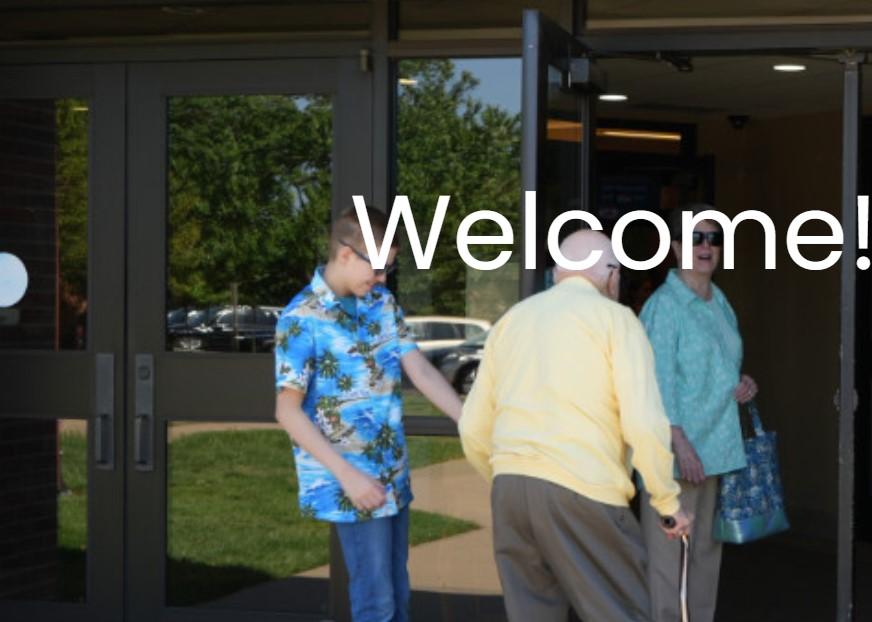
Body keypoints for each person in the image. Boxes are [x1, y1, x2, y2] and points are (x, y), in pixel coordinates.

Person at [459, 229, 692, 622]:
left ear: (558, 273)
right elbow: (644, 422)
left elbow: (472, 428)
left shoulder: (512, 320)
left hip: (511, 491)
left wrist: (511, 478)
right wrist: (667, 503)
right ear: (612, 274)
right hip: (584, 490)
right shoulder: (616, 320)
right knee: (623, 611)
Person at [273, 207, 463, 622]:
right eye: (378, 268)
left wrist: (467, 419)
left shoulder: (382, 303)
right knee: (375, 604)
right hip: (351, 482)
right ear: (345, 254)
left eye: (388, 269)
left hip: (391, 472)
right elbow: (287, 411)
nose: (382, 278)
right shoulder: (301, 318)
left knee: (397, 595)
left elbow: (420, 370)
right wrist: (348, 476)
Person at [639, 208, 758, 622]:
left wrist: (742, 382)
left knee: (707, 556)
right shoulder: (664, 306)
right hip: (678, 454)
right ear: (675, 248)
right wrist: (678, 441)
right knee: (668, 560)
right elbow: (655, 382)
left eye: (713, 239)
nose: (706, 247)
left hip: (718, 448)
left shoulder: (719, 300)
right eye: (696, 238)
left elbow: (718, 364)